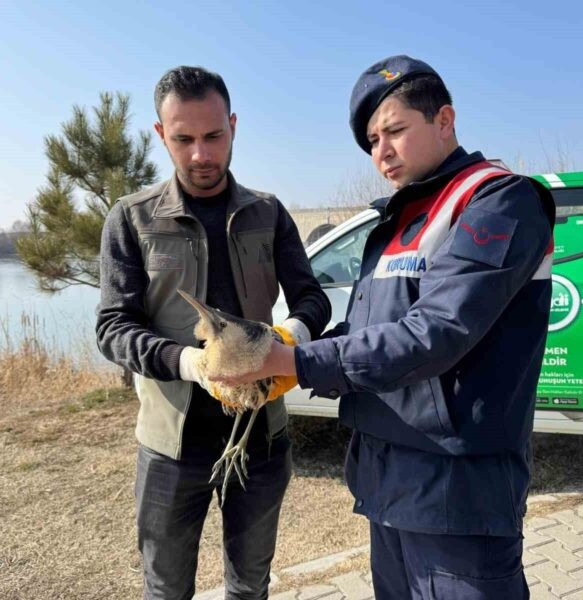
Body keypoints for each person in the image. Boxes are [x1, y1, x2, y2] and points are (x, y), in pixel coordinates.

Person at [216, 55, 555, 599]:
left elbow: (435, 332)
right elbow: (369, 326)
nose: (382, 153)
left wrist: (295, 364)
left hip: (457, 494)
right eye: (372, 141)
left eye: (395, 130)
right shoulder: (399, 219)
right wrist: (287, 350)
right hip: (388, 486)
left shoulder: (496, 201)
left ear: (444, 120)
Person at [96, 65, 331, 600]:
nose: (201, 154)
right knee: (166, 588)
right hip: (168, 447)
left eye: (213, 136)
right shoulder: (130, 219)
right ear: (161, 135)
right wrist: (193, 365)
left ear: (234, 125)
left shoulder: (268, 213)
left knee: (250, 586)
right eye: (183, 139)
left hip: (260, 438)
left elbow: (311, 298)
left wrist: (281, 343)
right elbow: (113, 327)